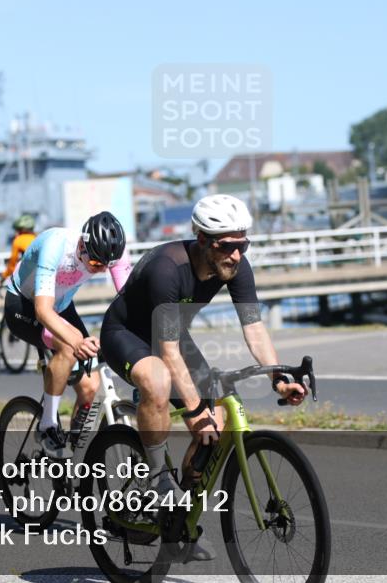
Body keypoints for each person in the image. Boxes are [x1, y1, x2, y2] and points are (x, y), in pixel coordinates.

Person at [100, 194, 307, 562]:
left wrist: (279, 376)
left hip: (173, 337)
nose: (237, 254)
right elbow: (167, 353)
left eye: (244, 244)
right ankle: (159, 477)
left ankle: (181, 521)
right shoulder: (167, 269)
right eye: (228, 246)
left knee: (221, 420)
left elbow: (254, 328)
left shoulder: (237, 267)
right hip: (127, 334)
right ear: (203, 241)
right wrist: (195, 408)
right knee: (159, 381)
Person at [3, 211, 132, 458]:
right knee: (68, 348)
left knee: (90, 387)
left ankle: (73, 451)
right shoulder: (56, 245)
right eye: (95, 264)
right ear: (82, 245)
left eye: (107, 267)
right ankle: (47, 424)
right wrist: (75, 341)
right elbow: (42, 311)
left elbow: (128, 299)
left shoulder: (113, 251)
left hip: (61, 305)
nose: (100, 270)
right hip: (24, 304)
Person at [0, 214, 37, 288]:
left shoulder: (18, 240)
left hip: (28, 277)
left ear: (20, 230)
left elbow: (12, 264)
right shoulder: (37, 237)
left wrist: (2, 278)